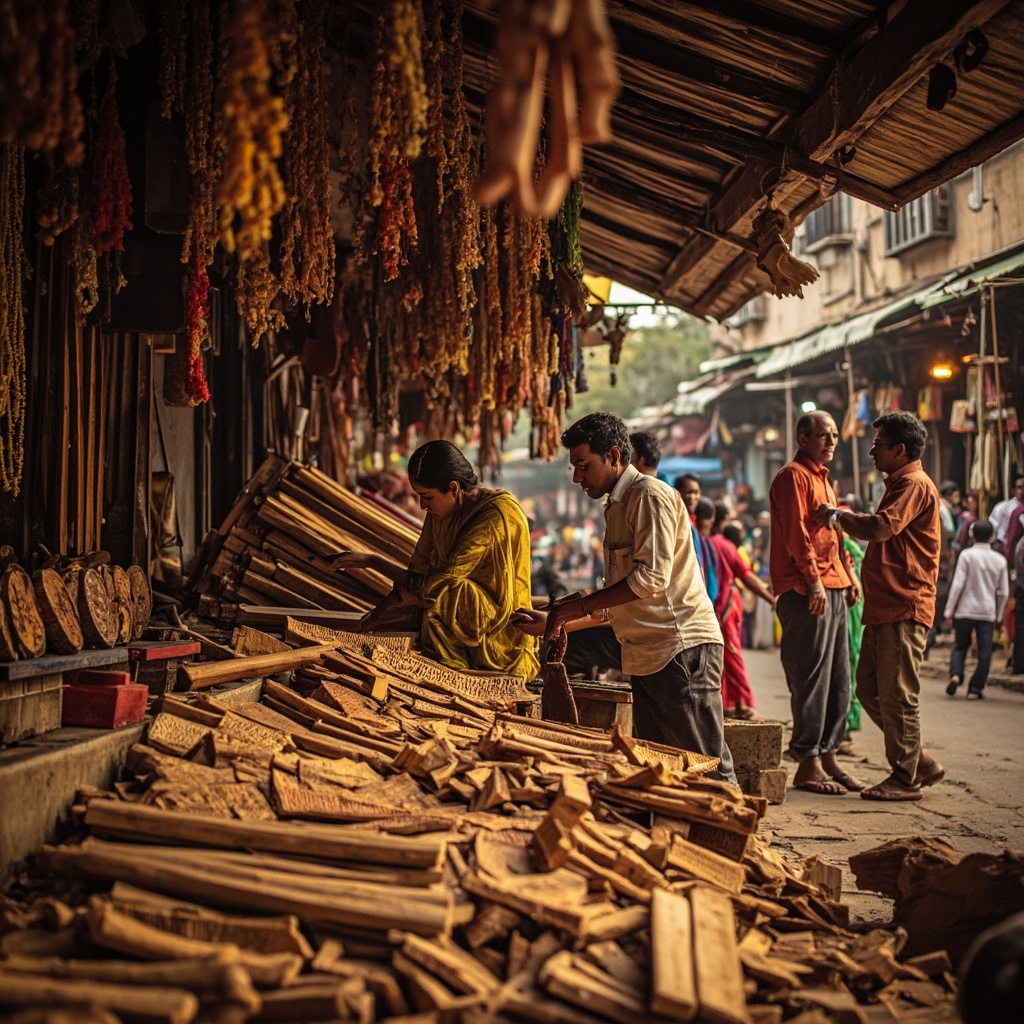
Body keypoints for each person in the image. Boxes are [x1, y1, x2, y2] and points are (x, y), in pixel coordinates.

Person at [513, 412, 736, 782]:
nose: (577, 477)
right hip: (647, 654)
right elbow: (620, 599)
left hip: (680, 648)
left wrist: (576, 606)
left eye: (584, 466)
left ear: (614, 455)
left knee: (705, 765)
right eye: (574, 467)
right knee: (662, 769)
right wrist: (560, 618)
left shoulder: (648, 495)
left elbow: (650, 578)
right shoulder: (617, 506)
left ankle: (738, 832)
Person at [816, 410, 946, 801]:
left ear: (899, 449)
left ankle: (905, 777)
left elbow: (881, 527)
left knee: (896, 692)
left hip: (905, 602)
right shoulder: (898, 482)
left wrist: (837, 517)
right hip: (885, 604)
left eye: (878, 444)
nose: (872, 451)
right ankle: (918, 760)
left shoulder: (913, 484)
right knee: (870, 689)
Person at [331, 439, 540, 682]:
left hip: (499, 638)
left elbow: (439, 583)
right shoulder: (442, 510)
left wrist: (375, 563)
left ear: (453, 488)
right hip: (460, 624)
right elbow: (418, 571)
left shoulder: (497, 516)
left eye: (427, 497)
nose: (422, 505)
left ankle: (459, 675)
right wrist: (374, 615)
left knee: (443, 594)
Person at [769, 411, 863, 795]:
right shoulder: (793, 476)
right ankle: (807, 760)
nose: (831, 441)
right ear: (802, 438)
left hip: (834, 583)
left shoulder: (824, 481)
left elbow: (835, 538)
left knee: (840, 677)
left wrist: (849, 575)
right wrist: (814, 582)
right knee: (812, 678)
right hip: (806, 589)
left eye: (835, 435)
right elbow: (796, 536)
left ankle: (827, 755)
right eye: (823, 435)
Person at [708, 504, 776, 719]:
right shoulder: (724, 546)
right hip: (725, 605)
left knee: (723, 656)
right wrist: (770, 598)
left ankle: (728, 701)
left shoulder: (704, 543)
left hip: (717, 607)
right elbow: (746, 576)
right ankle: (741, 702)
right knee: (732, 655)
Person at [943, 519, 1008, 699]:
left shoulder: (966, 556)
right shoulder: (1000, 560)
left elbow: (957, 585)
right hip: (987, 612)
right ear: (992, 537)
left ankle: (956, 675)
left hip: (965, 609)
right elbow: (1003, 592)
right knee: (985, 651)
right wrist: (999, 614)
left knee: (960, 645)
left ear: (971, 536)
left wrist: (949, 611)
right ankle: (975, 688)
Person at [924, 480, 960, 659]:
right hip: (938, 564)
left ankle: (928, 642)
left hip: (936, 563)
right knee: (935, 602)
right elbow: (948, 533)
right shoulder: (941, 509)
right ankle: (927, 641)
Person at [989, 475, 1024, 551]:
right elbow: (992, 527)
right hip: (1004, 546)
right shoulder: (1002, 507)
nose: (1023, 490)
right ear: (1013, 490)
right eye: (1020, 487)